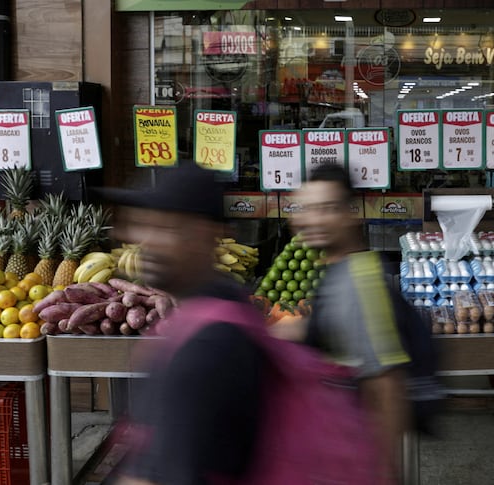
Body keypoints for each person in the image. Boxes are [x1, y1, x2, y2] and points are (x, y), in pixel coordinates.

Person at [104, 162, 267, 485]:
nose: (144, 242)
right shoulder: (219, 305)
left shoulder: (206, 348)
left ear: (206, 236)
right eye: (142, 225)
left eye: (165, 228)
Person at [289, 164, 411, 483]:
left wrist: (383, 471)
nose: (312, 220)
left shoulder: (361, 281)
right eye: (306, 208)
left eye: (326, 209)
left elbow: (386, 385)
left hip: (353, 458)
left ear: (348, 215)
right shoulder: (329, 270)